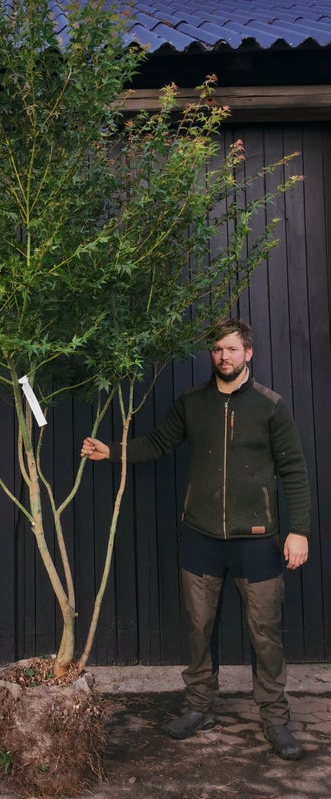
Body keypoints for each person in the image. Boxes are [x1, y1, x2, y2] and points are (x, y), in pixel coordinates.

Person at [81, 318, 311, 761]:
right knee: (199, 629)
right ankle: (199, 705)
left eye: (232, 349)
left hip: (258, 541)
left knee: (266, 634)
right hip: (201, 538)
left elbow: (295, 472)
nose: (223, 356)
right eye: (217, 349)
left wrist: (298, 530)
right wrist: (112, 451)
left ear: (249, 353)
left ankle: (274, 718)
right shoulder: (192, 403)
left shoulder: (271, 406)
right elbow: (157, 443)